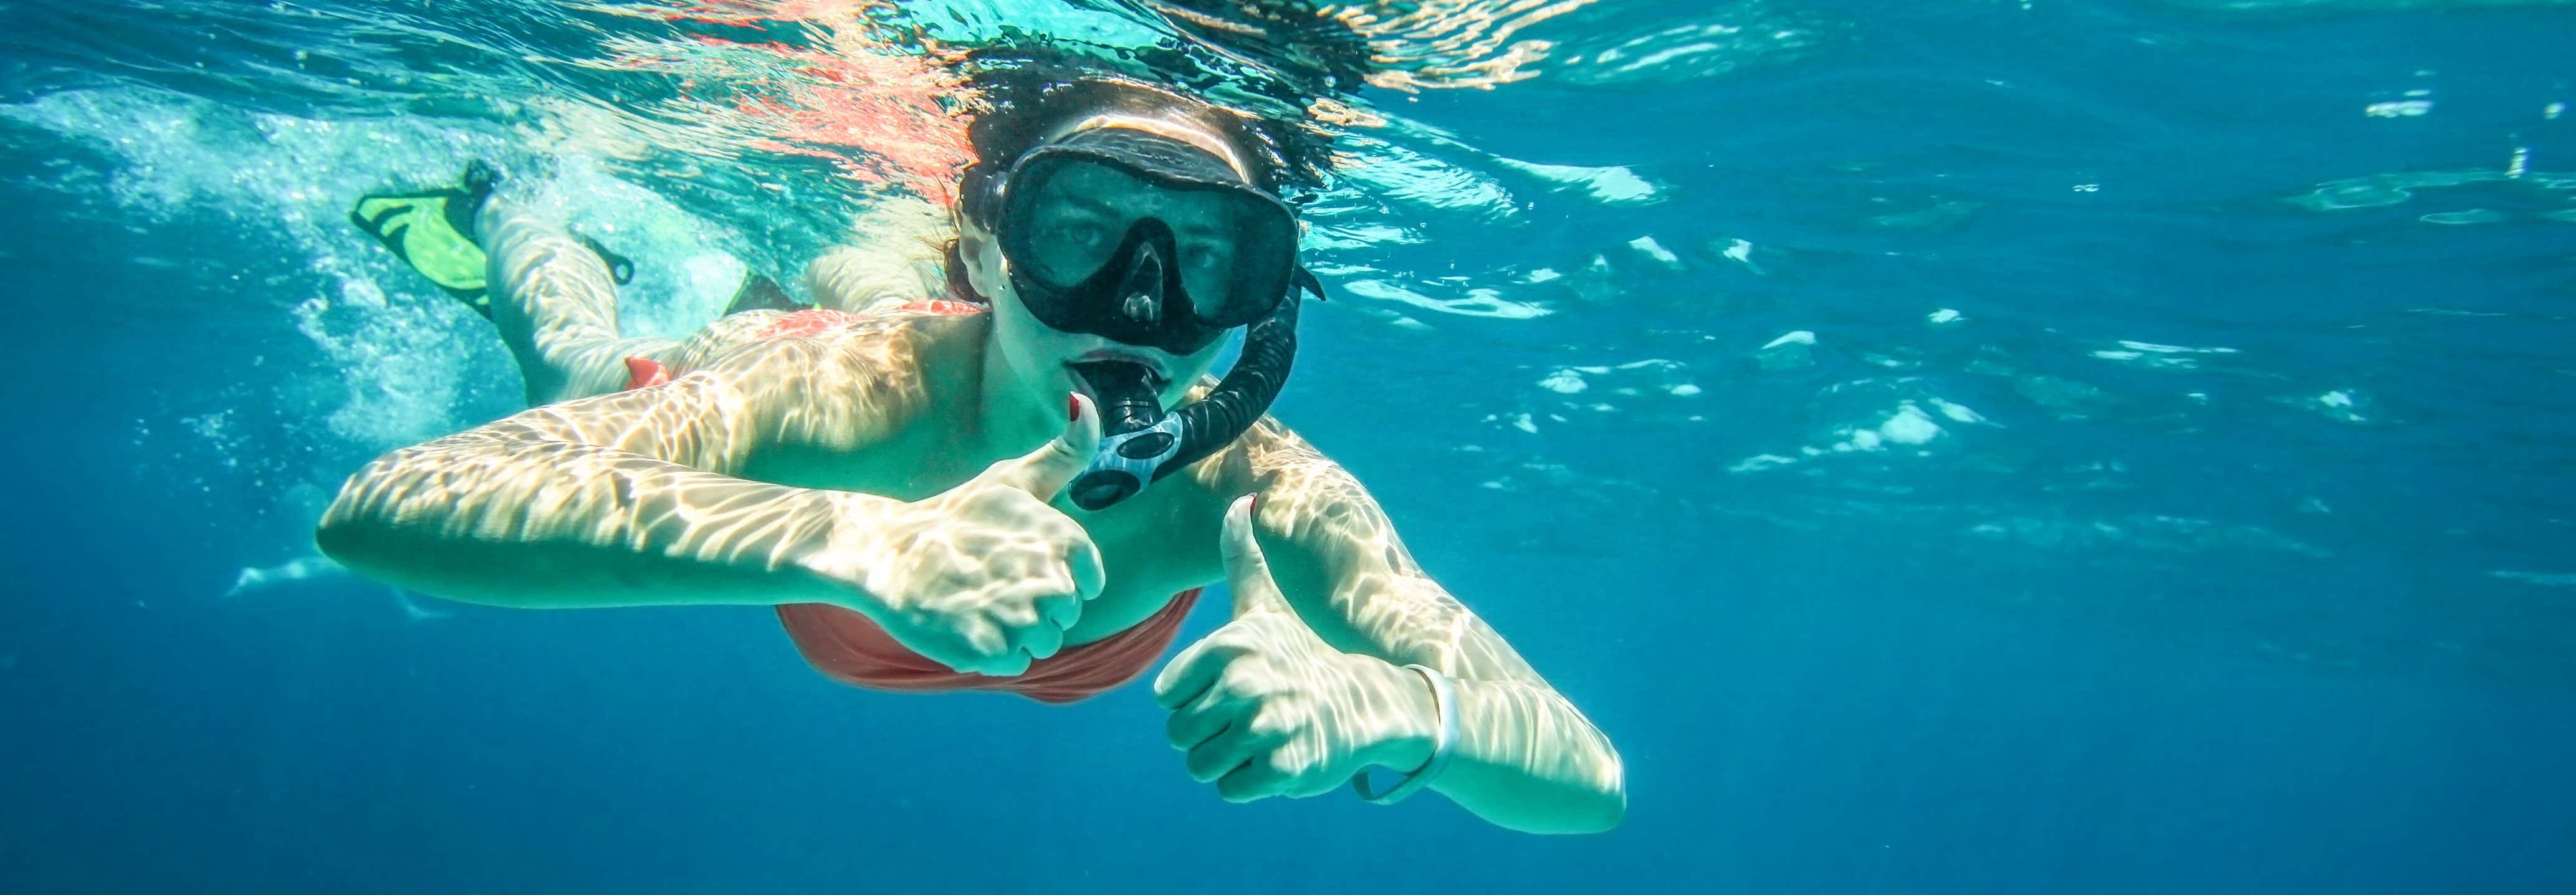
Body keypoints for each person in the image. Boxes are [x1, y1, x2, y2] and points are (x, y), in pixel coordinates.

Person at [318, 73, 1624, 834]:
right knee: (586, 373)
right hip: (869, 401)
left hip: (948, 363)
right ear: (996, 247)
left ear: (1259, 302)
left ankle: (878, 260)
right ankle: (514, 222)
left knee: (865, 283)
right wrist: (862, 538)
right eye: (1083, 230)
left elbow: (1591, 780)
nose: (1138, 306)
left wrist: (1400, 706)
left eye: (1209, 256)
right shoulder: (845, 399)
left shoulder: (1255, 485)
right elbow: (385, 508)